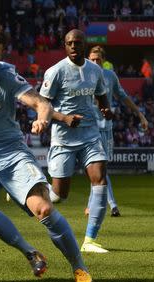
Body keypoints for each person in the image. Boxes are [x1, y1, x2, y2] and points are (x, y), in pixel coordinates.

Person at [0, 23, 92, 282]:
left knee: (44, 209)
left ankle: (79, 268)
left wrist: (43, 120)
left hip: (12, 156)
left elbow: (41, 103)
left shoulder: (6, 75)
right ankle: (30, 252)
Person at [39, 29, 112, 254]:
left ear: (84, 45)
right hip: (63, 138)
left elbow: (101, 93)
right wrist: (63, 118)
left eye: (77, 43)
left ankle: (90, 240)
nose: (72, 46)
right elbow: (42, 105)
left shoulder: (95, 70)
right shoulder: (55, 72)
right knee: (59, 196)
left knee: (99, 180)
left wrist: (104, 107)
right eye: (69, 43)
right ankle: (33, 192)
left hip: (90, 134)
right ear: (65, 45)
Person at [86, 46, 149, 217]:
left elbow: (123, 96)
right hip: (88, 128)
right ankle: (111, 205)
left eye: (98, 59)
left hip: (106, 128)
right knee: (97, 168)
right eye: (91, 59)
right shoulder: (82, 75)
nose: (95, 62)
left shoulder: (110, 76)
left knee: (101, 168)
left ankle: (93, 204)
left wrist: (140, 113)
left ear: (104, 61)